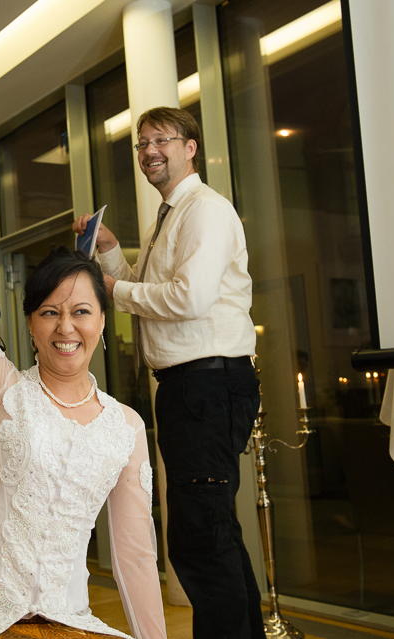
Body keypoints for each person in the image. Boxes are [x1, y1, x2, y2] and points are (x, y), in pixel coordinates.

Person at [0, 95, 166, 639]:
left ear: (101, 320)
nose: (66, 328)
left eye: (81, 312)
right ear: (29, 324)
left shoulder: (126, 428)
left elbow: (136, 559)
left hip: (69, 622)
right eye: (50, 312)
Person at [73, 106, 263, 639]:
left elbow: (189, 297)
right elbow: (145, 288)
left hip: (206, 384)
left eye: (162, 139)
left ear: (190, 147)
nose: (149, 151)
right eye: (141, 143)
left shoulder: (205, 209)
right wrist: (110, 254)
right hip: (191, 388)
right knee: (214, 534)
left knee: (200, 539)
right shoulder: (170, 214)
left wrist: (115, 292)